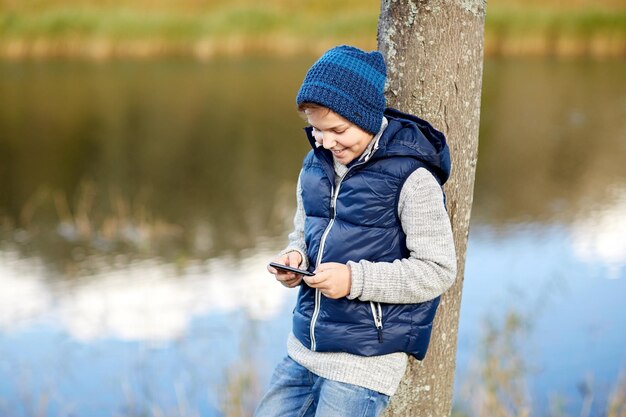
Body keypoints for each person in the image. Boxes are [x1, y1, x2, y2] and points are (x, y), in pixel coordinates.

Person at [254, 45, 457, 417]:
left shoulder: (412, 179)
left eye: (338, 130)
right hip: (303, 349)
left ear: (364, 116)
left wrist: (353, 279)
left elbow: (438, 270)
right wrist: (295, 258)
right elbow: (304, 233)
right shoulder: (314, 166)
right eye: (316, 129)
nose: (325, 141)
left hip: (364, 363)